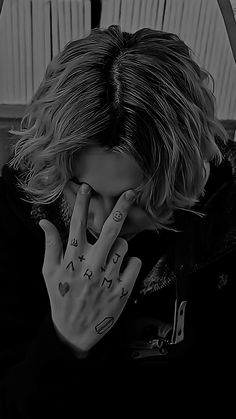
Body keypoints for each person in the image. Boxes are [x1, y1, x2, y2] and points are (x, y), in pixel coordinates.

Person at [0, 24, 235, 416]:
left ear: (186, 177)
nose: (107, 221)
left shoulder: (225, 212)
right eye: (81, 191)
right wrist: (67, 341)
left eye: (138, 199)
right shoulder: (20, 205)